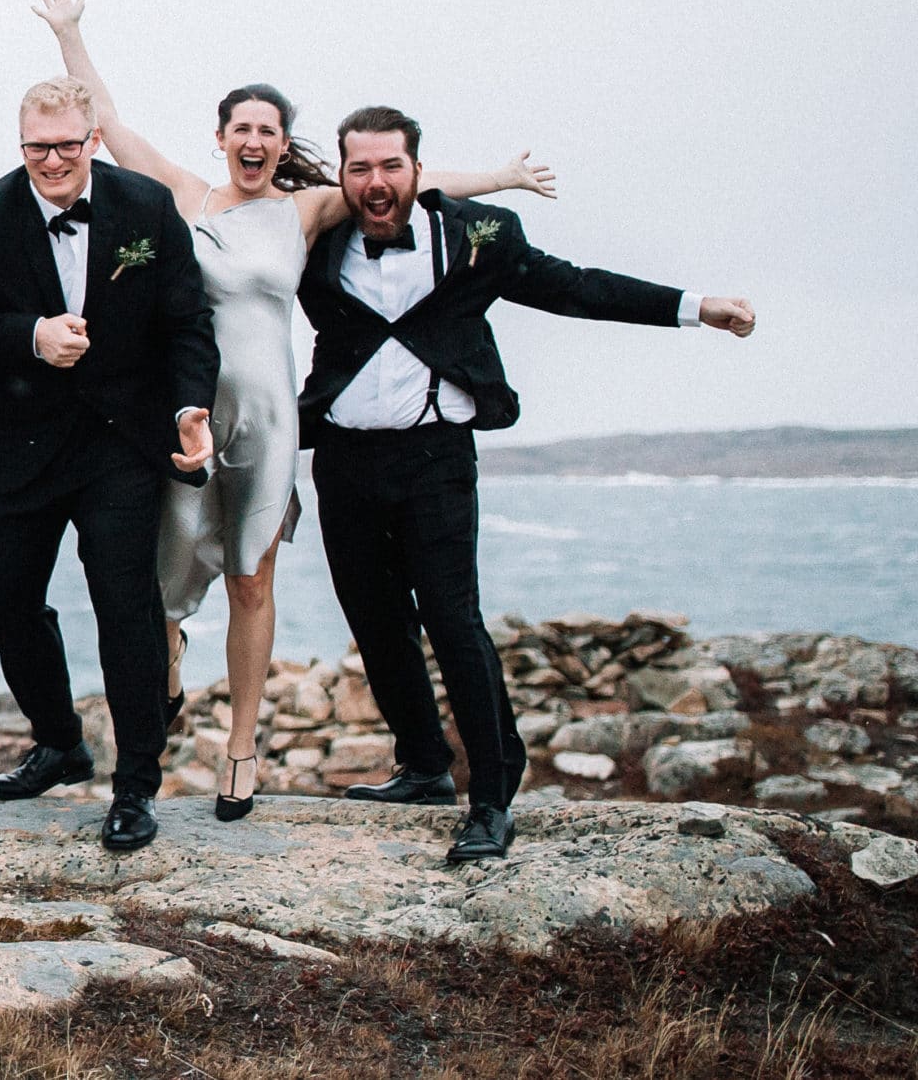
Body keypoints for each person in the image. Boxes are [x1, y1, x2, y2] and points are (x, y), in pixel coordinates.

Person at [36, 0, 557, 819]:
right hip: (189, 412)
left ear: (282, 145)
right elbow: (110, 125)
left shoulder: (307, 209)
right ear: (221, 138)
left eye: (267, 130)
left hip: (270, 419)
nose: (253, 140)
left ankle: (242, 749)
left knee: (252, 581)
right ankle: (168, 668)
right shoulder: (183, 196)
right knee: (163, 582)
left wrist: (500, 177)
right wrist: (69, 34)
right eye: (240, 128)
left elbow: (400, 182)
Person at [299, 105, 754, 865]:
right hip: (343, 462)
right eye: (360, 168)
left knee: (452, 620)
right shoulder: (315, 239)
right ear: (342, 177)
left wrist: (693, 308)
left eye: (391, 166)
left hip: (436, 458)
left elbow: (576, 288)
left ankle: (491, 799)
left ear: (418, 171)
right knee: (375, 621)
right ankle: (423, 767)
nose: (376, 182)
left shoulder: (480, 236)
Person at [0, 77, 219, 854]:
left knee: (126, 607)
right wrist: (31, 335)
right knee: (5, 600)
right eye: (37, 147)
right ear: (19, 142)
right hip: (17, 441)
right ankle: (60, 742)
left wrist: (190, 408)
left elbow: (188, 321)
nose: (53, 161)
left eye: (67, 146)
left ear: (92, 138)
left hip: (120, 441)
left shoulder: (147, 207)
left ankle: (136, 785)